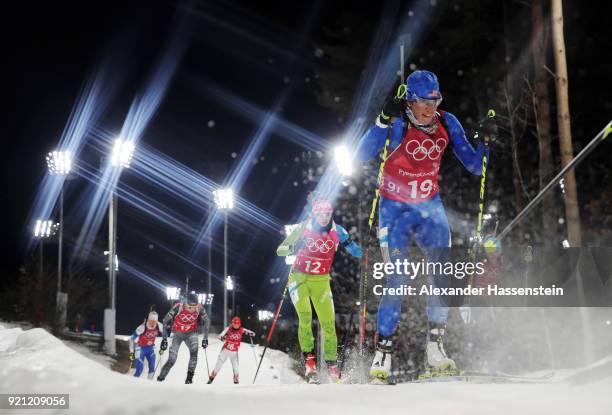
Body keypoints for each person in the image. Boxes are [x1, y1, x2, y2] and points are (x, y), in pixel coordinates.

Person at [357, 70, 490, 382]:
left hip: (430, 208)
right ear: (409, 101)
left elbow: (474, 165)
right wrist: (380, 122)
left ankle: (436, 348)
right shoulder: (397, 123)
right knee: (398, 280)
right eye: (423, 102)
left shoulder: (447, 122)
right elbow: (360, 155)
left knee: (442, 274)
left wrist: (485, 140)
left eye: (435, 100)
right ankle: (383, 353)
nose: (430, 108)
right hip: (394, 210)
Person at [277, 196, 363, 383]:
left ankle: (332, 364)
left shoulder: (338, 231)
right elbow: (280, 250)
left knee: (328, 323)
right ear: (314, 214)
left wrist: (361, 249)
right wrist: (293, 247)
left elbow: (357, 252)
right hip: (299, 278)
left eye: (328, 214)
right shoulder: (303, 228)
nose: (324, 217)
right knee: (306, 316)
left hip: (321, 280)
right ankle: (310, 362)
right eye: (320, 214)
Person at [157, 293, 209, 384]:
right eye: (189, 307)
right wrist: (164, 339)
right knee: (172, 359)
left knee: (194, 352)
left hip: (192, 333)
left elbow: (207, 321)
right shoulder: (178, 306)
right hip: (178, 334)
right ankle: (161, 378)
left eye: (194, 307)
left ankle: (189, 379)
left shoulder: (199, 308)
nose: (192, 309)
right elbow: (165, 320)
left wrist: (205, 338)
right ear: (185, 303)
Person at [207, 316, 255, 384]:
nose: (236, 325)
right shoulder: (228, 329)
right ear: (232, 323)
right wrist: (222, 338)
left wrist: (251, 333)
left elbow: (251, 333)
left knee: (236, 368)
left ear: (240, 324)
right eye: (234, 324)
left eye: (237, 324)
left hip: (234, 353)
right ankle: (211, 379)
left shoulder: (242, 330)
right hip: (225, 351)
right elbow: (220, 335)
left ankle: (236, 382)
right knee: (218, 365)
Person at [129, 311, 163, 379]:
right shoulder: (142, 327)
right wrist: (131, 353)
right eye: (151, 321)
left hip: (150, 349)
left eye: (155, 321)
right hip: (140, 348)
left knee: (152, 369)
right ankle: (132, 384)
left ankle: (149, 386)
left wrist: (163, 347)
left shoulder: (159, 325)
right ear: (148, 320)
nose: (153, 323)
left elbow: (165, 336)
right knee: (139, 370)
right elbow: (132, 339)